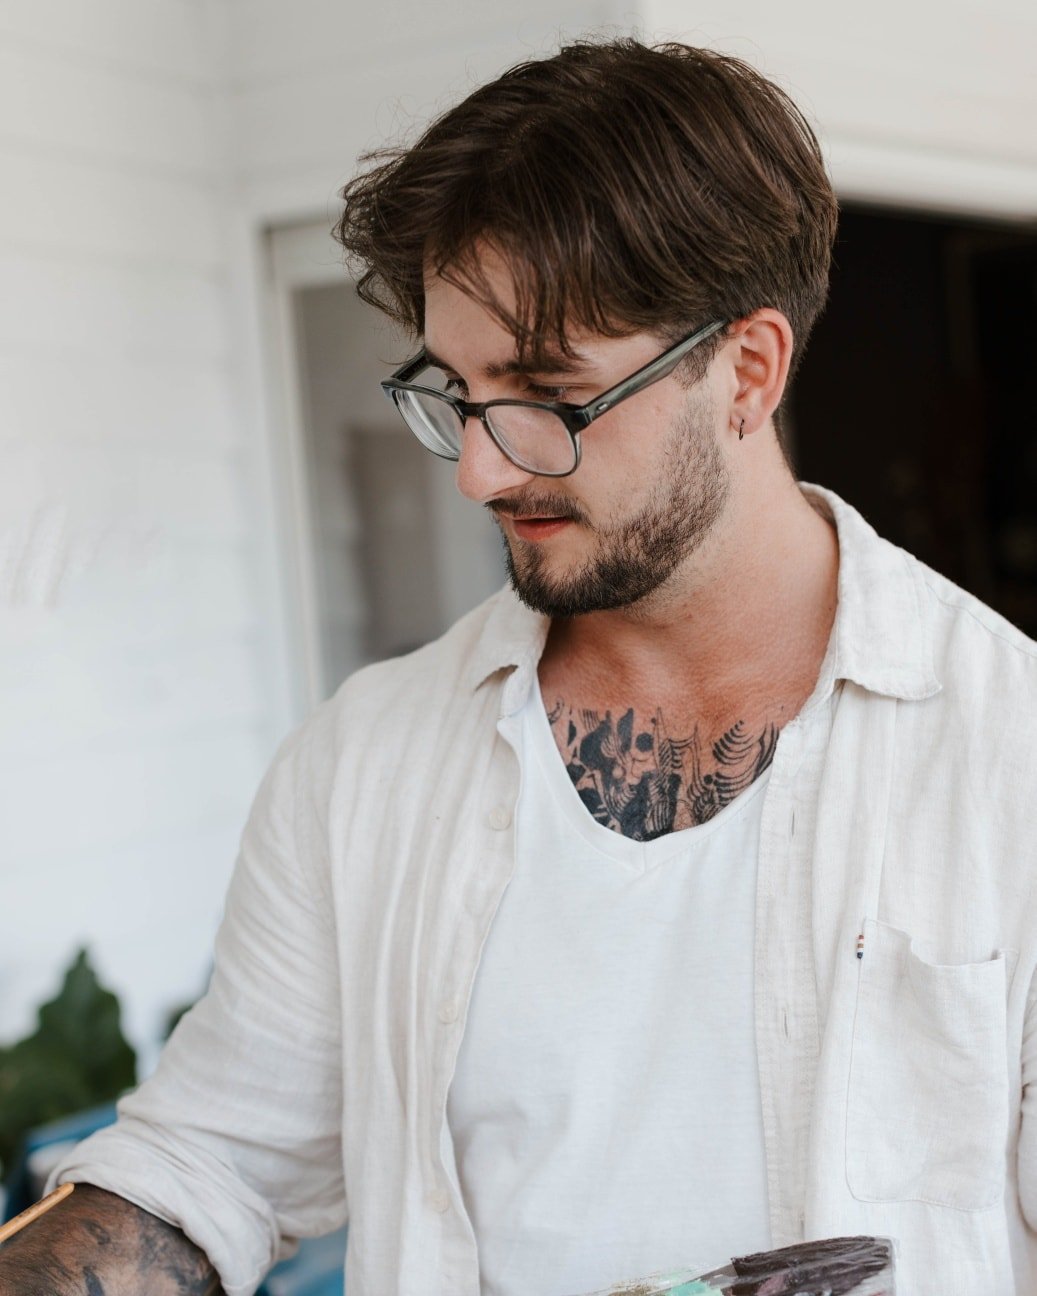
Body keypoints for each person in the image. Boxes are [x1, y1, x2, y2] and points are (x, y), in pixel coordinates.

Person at [1, 35, 1036, 1296]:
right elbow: (206, 1168)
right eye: (456, 391)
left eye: (546, 394)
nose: (481, 470)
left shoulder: (1008, 752)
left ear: (746, 370)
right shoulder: (362, 763)